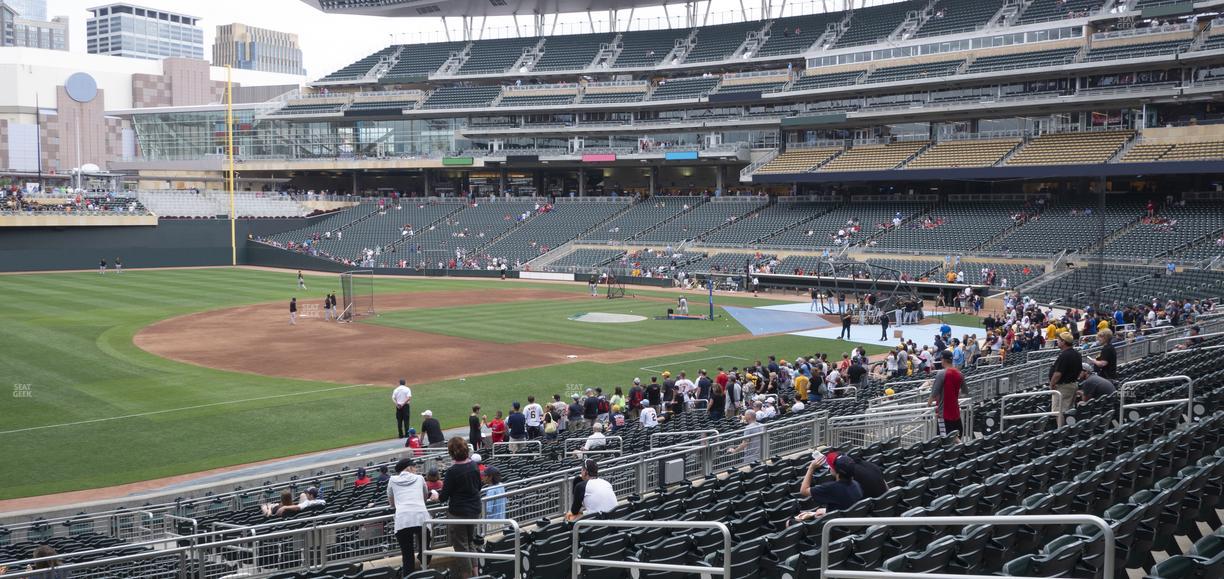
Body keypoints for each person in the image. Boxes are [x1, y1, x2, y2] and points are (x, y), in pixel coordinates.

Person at [429, 438, 482, 579]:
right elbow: (478, 487)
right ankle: (476, 575)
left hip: (459, 513)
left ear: (452, 452)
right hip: (474, 509)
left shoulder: (453, 471)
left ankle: (468, 576)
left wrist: (435, 497)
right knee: (470, 542)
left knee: (461, 546)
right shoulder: (473, 465)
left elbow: (443, 497)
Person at [387, 458, 429, 577]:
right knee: (425, 550)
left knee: (407, 556)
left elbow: (391, 503)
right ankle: (425, 570)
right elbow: (425, 496)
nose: (416, 469)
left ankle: (409, 575)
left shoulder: (392, 480)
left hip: (402, 520)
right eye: (414, 467)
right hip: (421, 518)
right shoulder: (420, 478)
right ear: (409, 468)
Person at [798, 454, 863, 516]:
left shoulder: (831, 488)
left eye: (832, 466)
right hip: (848, 518)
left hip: (835, 524)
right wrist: (827, 511)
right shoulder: (856, 484)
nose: (830, 467)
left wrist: (811, 468)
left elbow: (803, 490)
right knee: (819, 511)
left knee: (789, 522)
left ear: (837, 472)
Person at [1047, 331, 1082, 426]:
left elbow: (1058, 374)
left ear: (1063, 342)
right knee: (1067, 410)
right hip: (1072, 384)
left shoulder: (1065, 355)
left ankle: (1060, 432)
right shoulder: (1077, 354)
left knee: (1059, 411)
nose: (1057, 341)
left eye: (1059, 340)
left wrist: (1052, 384)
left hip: (1063, 387)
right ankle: (1066, 431)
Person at [928, 350, 963, 439]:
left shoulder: (941, 373)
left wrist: (928, 404)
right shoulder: (959, 373)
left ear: (943, 360)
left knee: (945, 439)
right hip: (955, 411)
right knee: (954, 436)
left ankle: (964, 448)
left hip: (943, 413)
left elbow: (934, 393)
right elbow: (963, 391)